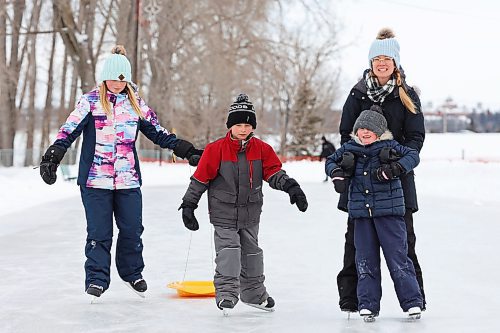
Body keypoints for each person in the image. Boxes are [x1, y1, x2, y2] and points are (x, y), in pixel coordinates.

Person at [39, 45, 203, 299]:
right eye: (114, 79)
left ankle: (132, 273)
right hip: (95, 180)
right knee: (99, 233)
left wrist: (187, 150)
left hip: (128, 179)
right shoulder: (91, 102)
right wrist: (53, 155)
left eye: (122, 80)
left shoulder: (135, 104)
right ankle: (96, 279)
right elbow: (68, 130)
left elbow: (158, 133)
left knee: (132, 229)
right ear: (104, 78)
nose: (118, 84)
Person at [179, 93, 308, 313]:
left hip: (250, 212)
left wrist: (291, 187)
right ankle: (227, 295)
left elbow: (274, 172)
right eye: (238, 124)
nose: (243, 129)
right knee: (229, 252)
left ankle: (254, 295)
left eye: (247, 125)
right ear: (230, 125)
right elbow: (200, 179)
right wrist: (189, 205)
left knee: (252, 254)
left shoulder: (262, 149)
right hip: (223, 212)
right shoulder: (215, 149)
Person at [335, 28, 426, 312]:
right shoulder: (358, 93)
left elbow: (416, 138)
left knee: (403, 242)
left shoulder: (407, 95)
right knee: (356, 243)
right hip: (361, 180)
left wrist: (396, 163)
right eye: (377, 59)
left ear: (395, 62)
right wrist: (350, 160)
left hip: (396, 180)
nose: (382, 63)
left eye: (387, 58)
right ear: (371, 63)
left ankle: (415, 299)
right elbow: (345, 132)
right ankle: (352, 300)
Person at [326, 105, 423, 319]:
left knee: (398, 258)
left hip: (389, 214)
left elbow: (413, 156)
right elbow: (330, 161)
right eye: (361, 129)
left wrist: (395, 168)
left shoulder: (390, 146)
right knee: (365, 260)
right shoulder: (350, 148)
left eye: (369, 129)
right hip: (362, 215)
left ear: (379, 131)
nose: (365, 132)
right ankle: (368, 304)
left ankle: (412, 302)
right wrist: (337, 174)